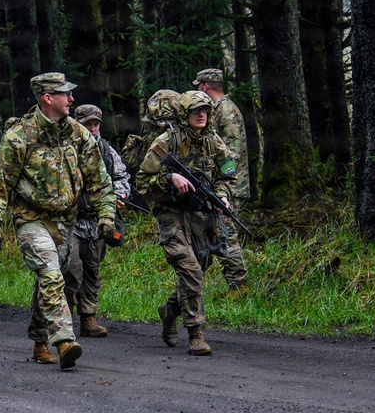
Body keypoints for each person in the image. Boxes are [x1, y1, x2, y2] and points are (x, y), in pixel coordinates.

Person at [0, 73, 115, 370]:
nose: (71, 99)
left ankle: (39, 339)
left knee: (60, 280)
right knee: (51, 273)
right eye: (64, 94)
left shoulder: (78, 134)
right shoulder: (20, 136)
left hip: (67, 221)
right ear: (47, 98)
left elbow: (99, 179)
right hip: (31, 219)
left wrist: (106, 214)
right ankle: (65, 341)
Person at [135, 90, 237, 356]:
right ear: (184, 114)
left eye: (205, 110)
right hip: (170, 215)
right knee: (191, 272)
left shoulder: (213, 141)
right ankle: (195, 333)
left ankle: (169, 311)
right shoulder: (166, 142)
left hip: (200, 216)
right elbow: (142, 182)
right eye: (195, 111)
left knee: (198, 272)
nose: (201, 114)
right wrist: (170, 179)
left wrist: (222, 198)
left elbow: (226, 175)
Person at [64, 105, 131, 337]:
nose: (92, 128)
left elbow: (122, 176)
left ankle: (88, 317)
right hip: (71, 220)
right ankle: (64, 320)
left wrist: (119, 196)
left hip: (98, 221)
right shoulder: (67, 148)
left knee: (93, 269)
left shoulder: (106, 150)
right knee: (71, 270)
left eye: (96, 124)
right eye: (88, 124)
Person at [195, 68, 249, 295]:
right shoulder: (218, 110)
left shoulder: (226, 112)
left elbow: (232, 154)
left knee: (227, 233)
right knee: (215, 232)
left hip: (231, 187)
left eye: (199, 86)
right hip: (222, 185)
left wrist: (223, 188)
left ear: (206, 87)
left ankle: (239, 285)